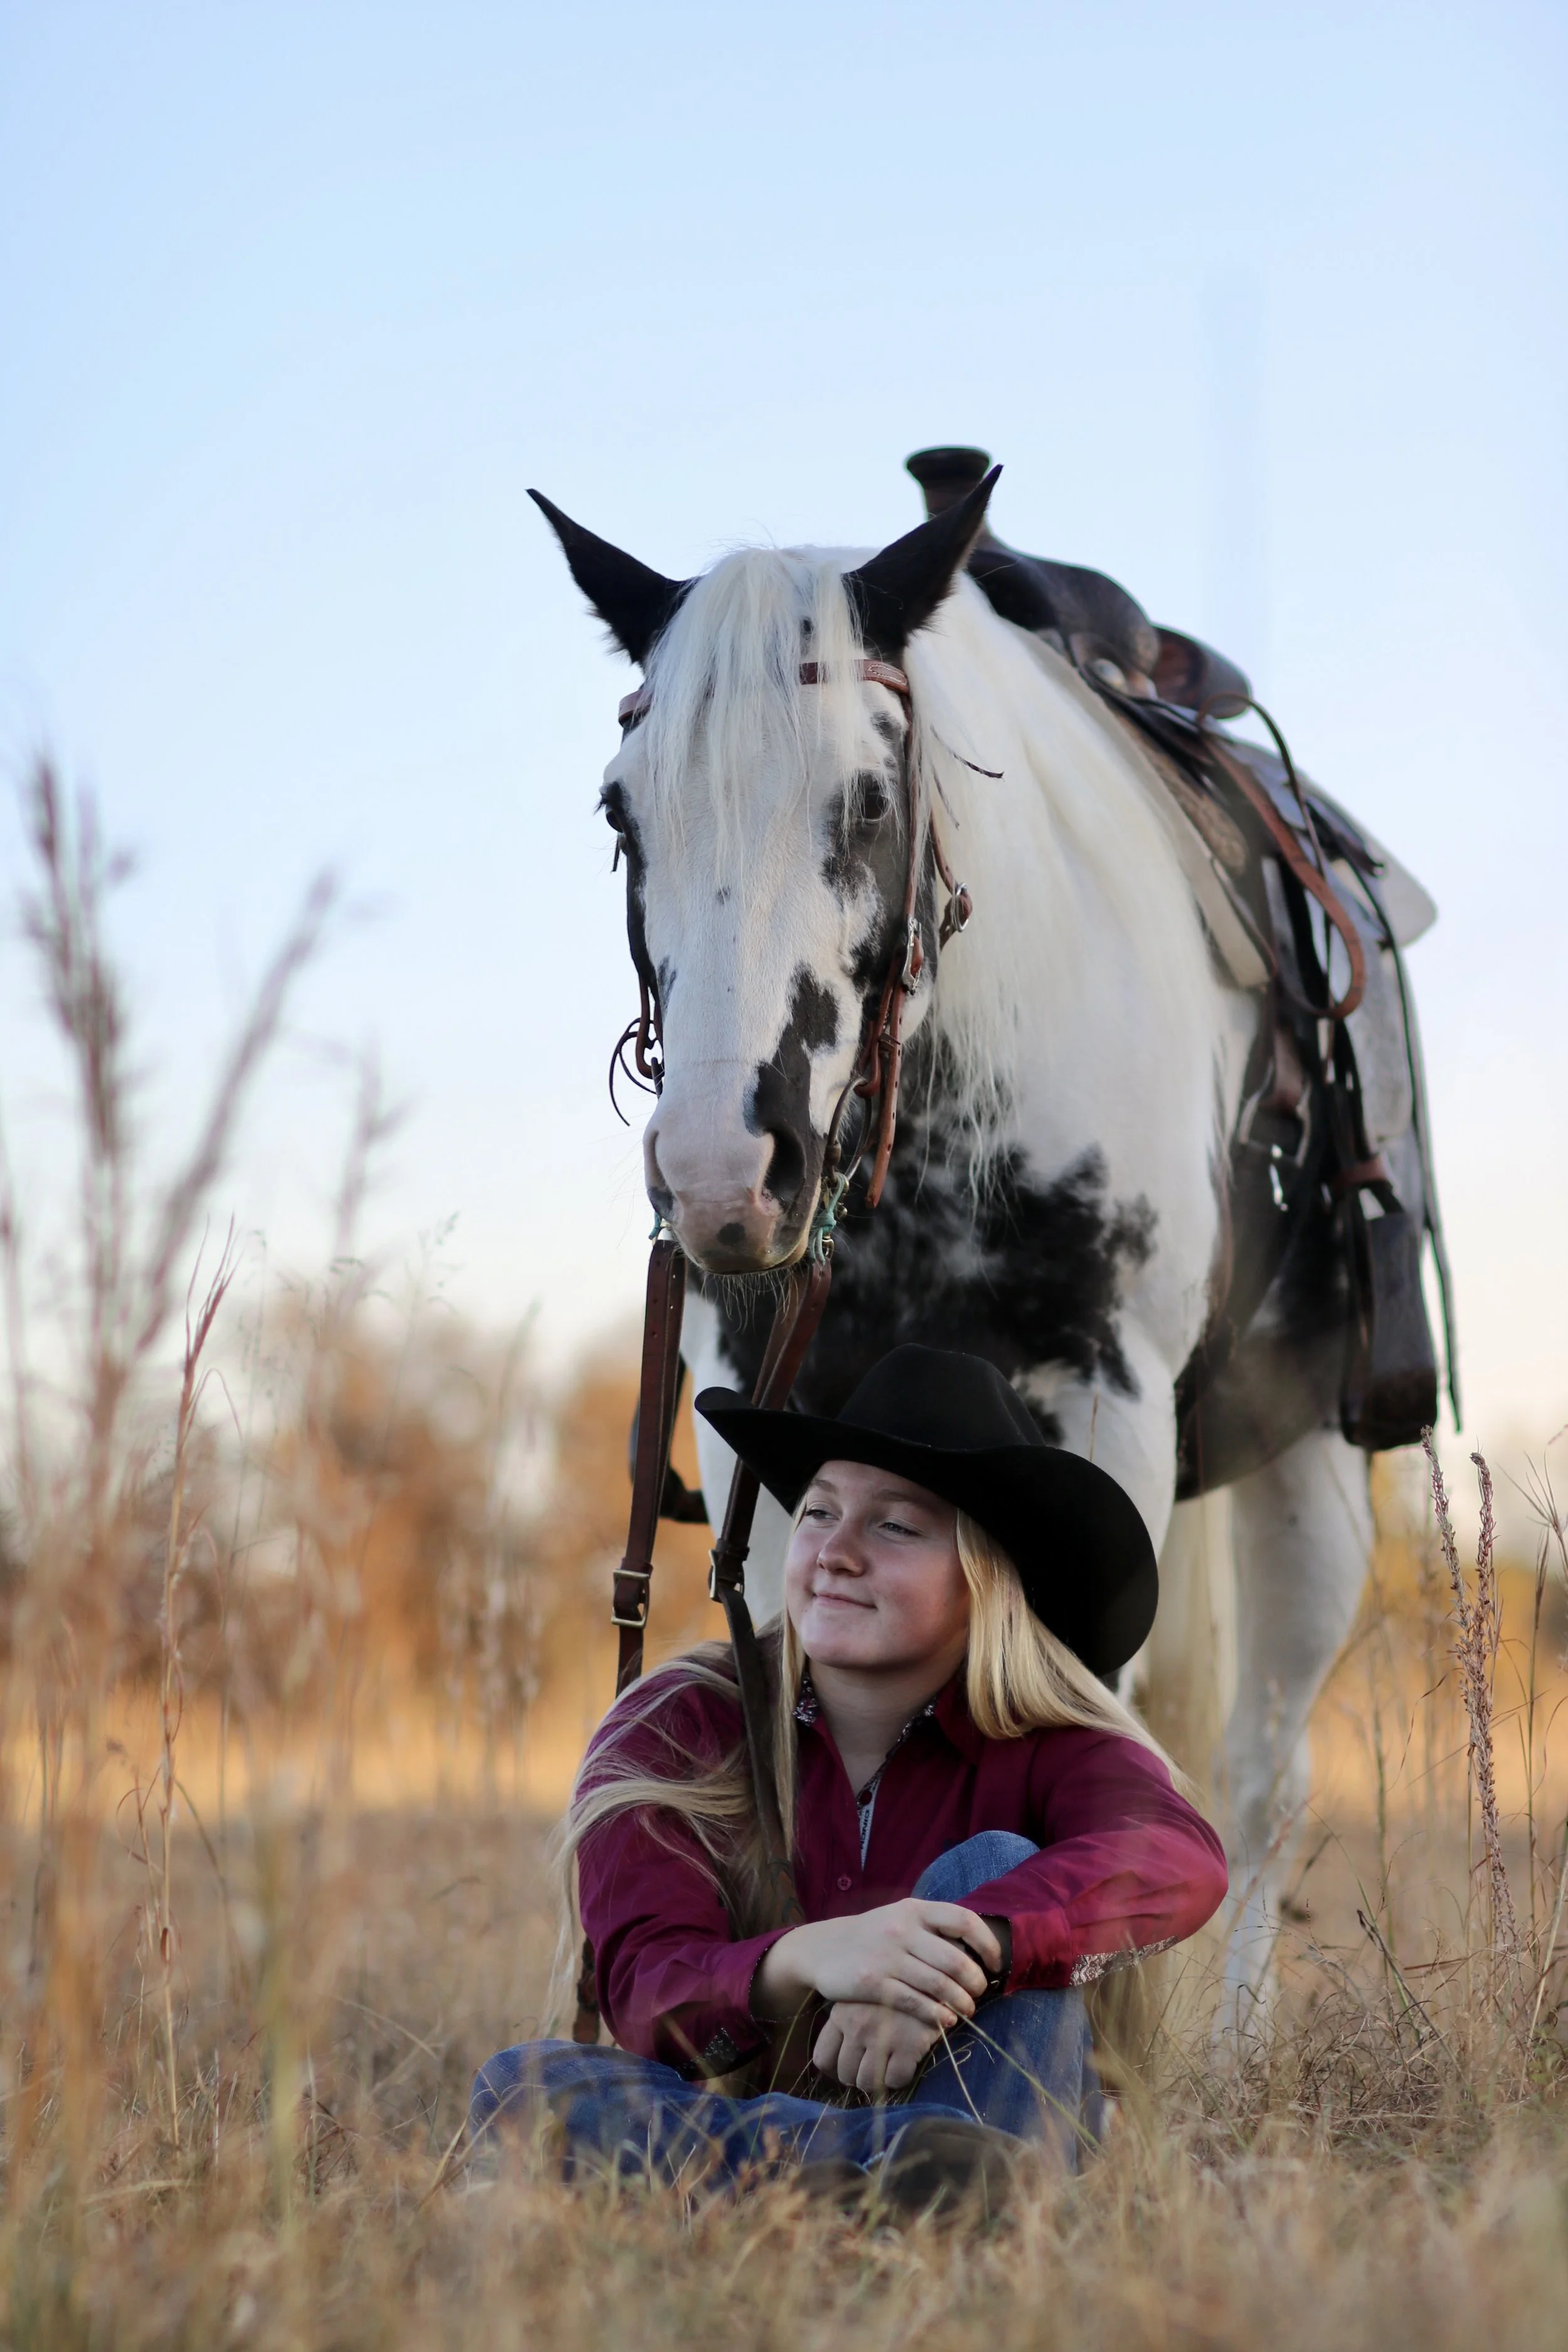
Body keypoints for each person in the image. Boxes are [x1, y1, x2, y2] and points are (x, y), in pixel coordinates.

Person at [472, 1345, 1227, 2206]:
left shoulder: (1048, 1740)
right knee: (522, 2085)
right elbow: (648, 1995)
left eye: (894, 1524)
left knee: (991, 1863)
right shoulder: (679, 1723)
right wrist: (811, 1957)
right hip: (759, 2108)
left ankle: (906, 2178)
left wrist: (942, 1954)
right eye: (819, 1512)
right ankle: (895, 2181)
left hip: (999, 2099)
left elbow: (1179, 1857)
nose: (835, 1551)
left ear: (987, 1577)